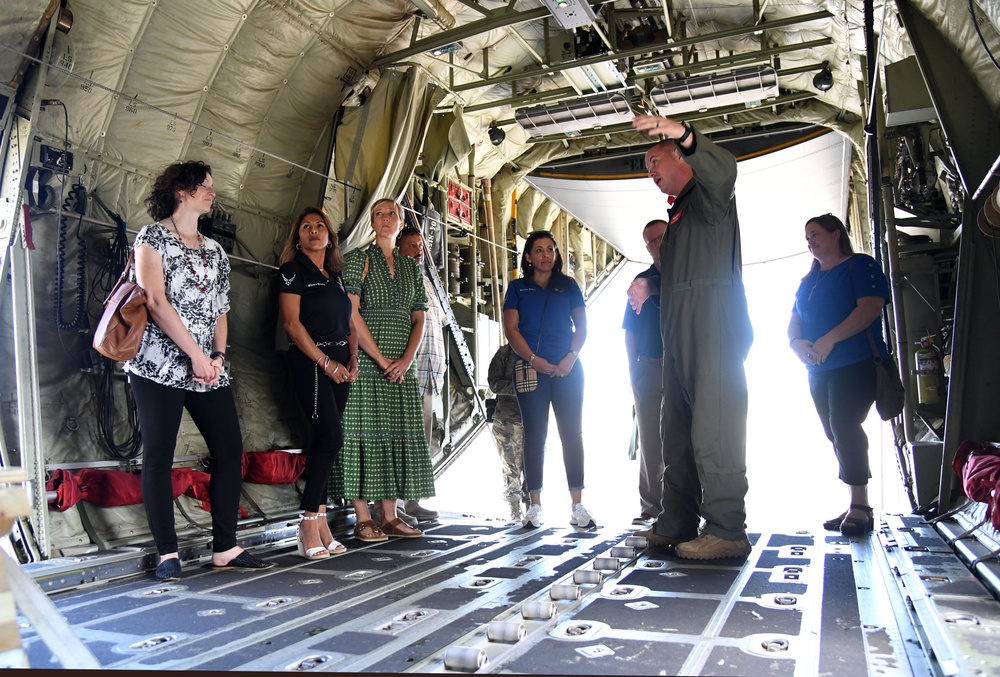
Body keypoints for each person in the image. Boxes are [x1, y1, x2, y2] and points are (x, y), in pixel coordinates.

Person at [125, 161, 274, 580]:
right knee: (159, 454)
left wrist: (218, 357)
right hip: (157, 364)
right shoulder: (151, 237)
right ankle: (167, 554)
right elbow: (155, 300)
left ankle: (225, 546)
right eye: (205, 186)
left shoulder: (214, 250)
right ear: (182, 191)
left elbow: (220, 311)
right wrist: (194, 354)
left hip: (208, 366)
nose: (212, 192)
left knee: (229, 452)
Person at [629, 114, 754, 560]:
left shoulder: (710, 198)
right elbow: (678, 276)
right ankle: (677, 520)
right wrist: (649, 280)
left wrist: (682, 132)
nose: (651, 170)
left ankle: (726, 528)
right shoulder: (678, 219)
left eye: (655, 159)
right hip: (679, 338)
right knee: (676, 432)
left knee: (714, 430)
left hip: (713, 332)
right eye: (647, 166)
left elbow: (725, 168)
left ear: (681, 156)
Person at [334, 198, 435, 541]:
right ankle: (363, 516)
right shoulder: (358, 260)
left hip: (402, 364)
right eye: (379, 214)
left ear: (401, 219)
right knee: (362, 432)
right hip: (368, 358)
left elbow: (419, 317)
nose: (386, 218)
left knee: (397, 432)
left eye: (392, 213)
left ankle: (389, 515)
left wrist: (406, 359)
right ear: (372, 223)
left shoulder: (410, 267)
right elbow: (350, 313)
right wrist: (379, 359)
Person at [788, 214, 890, 536]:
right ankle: (854, 503)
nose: (810, 241)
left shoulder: (860, 266)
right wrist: (796, 343)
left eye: (816, 234)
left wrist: (829, 338)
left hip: (855, 363)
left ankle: (860, 505)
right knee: (835, 433)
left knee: (844, 426)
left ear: (836, 234)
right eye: (807, 237)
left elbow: (870, 308)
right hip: (818, 370)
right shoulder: (808, 282)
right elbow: (794, 319)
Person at [278, 207, 357, 559]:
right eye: (306, 226)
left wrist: (352, 358)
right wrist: (325, 363)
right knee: (330, 437)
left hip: (341, 366)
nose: (313, 230)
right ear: (298, 237)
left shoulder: (336, 277)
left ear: (330, 236)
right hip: (311, 362)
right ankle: (308, 522)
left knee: (325, 443)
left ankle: (321, 520)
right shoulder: (292, 271)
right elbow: (292, 325)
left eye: (320, 226)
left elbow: (350, 322)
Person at [502, 230, 593, 529]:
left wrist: (571, 357)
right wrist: (533, 359)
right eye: (538, 250)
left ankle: (577, 505)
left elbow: (581, 326)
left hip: (567, 368)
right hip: (530, 368)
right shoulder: (517, 288)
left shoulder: (568, 287)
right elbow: (511, 329)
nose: (545, 255)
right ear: (528, 257)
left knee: (572, 435)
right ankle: (535, 506)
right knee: (535, 435)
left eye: (550, 250)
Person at [394, 225, 443, 523]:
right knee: (403, 438)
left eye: (420, 246)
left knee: (421, 442)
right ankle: (394, 504)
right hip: (408, 369)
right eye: (411, 245)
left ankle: (412, 500)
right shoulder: (397, 275)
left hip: (428, 373)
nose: (417, 250)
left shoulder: (424, 280)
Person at [623, 219, 668, 527]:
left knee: (687, 440)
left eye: (661, 238)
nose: (656, 245)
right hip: (648, 368)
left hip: (683, 370)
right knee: (651, 442)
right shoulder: (641, 280)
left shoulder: (691, 271)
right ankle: (651, 507)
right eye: (650, 241)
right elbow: (630, 330)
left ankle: (688, 507)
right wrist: (633, 370)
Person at [487, 343, 527, 521]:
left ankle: (532, 507)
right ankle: (515, 510)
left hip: (531, 419)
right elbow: (494, 383)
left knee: (532, 468)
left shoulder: (538, 350)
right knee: (510, 467)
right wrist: (519, 387)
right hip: (507, 420)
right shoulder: (505, 352)